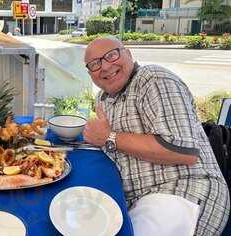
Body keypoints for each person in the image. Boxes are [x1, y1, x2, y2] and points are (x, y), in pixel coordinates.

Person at [83, 37, 230, 236]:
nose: (106, 66)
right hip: (133, 200)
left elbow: (183, 152)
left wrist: (108, 137)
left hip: (180, 190)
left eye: (111, 55)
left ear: (128, 53)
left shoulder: (153, 78)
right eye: (95, 64)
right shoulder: (104, 98)